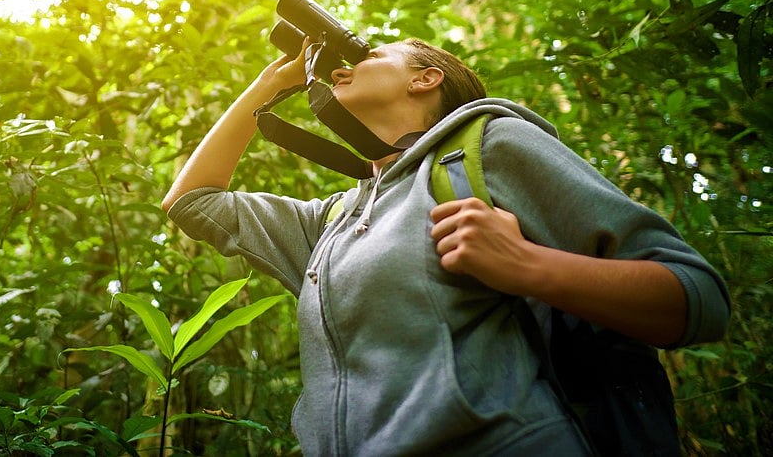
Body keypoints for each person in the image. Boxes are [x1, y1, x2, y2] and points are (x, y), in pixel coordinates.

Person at [162, 36, 730, 456]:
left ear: (425, 79)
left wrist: (528, 265)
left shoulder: (490, 146)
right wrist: (272, 84)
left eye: (371, 54)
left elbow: (697, 298)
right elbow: (191, 200)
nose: (343, 67)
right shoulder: (335, 220)